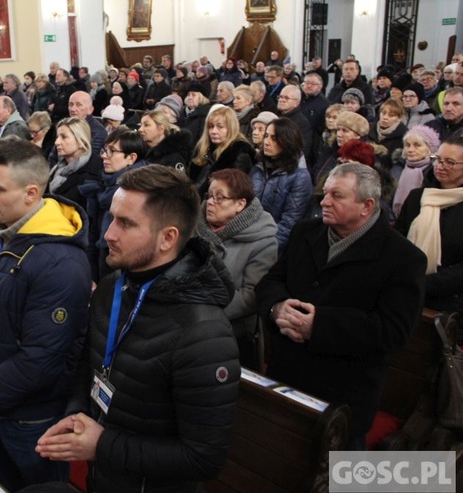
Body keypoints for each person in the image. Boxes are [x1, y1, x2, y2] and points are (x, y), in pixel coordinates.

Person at [36, 165, 239, 493]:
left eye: (126, 223)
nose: (108, 235)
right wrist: (77, 414)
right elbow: (89, 365)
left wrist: (103, 444)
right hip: (104, 480)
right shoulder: (112, 287)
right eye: (112, 218)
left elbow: (204, 459)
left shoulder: (203, 334)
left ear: (167, 238)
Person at [0, 136, 92, 492]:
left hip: (31, 418)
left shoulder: (61, 262)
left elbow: (43, 358)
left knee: (37, 492)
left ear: (31, 193)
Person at [256, 162, 426, 447]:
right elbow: (271, 282)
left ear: (367, 206)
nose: (324, 201)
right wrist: (277, 307)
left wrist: (319, 325)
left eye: (337, 195)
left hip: (343, 397)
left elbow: (394, 330)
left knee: (338, 484)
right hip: (286, 378)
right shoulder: (305, 232)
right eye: (325, 193)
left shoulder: (403, 258)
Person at [197, 168, 278, 369]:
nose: (210, 202)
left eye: (220, 197)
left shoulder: (262, 240)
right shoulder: (194, 226)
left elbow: (251, 296)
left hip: (231, 331)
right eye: (209, 195)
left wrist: (203, 312)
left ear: (240, 204)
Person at [396, 136, 463, 318]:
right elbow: (397, 241)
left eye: (450, 162)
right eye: (438, 160)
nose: (440, 166)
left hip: (450, 304)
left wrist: (423, 284)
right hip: (405, 292)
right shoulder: (418, 197)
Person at [79, 127, 148, 280]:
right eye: (104, 150)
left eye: (112, 151)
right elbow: (93, 233)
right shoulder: (104, 186)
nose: (104, 156)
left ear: (131, 158)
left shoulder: (139, 193)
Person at [250, 118, 313, 250]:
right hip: (249, 237)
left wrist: (263, 249)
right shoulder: (259, 167)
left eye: (274, 138)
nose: (266, 142)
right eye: (266, 136)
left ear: (287, 141)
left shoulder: (300, 177)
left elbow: (289, 224)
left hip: (272, 248)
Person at [190, 106, 256, 196]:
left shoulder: (239, 156)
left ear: (231, 128)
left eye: (220, 127)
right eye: (211, 126)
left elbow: (235, 192)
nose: (213, 131)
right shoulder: (204, 151)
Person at [48, 117, 102, 211]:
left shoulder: (96, 173)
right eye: (57, 137)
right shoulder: (57, 168)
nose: (57, 142)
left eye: (64, 137)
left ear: (82, 142)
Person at [392, 125, 440, 215]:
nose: (410, 150)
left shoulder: (434, 172)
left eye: (417, 145)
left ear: (430, 149)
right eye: (407, 145)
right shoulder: (397, 168)